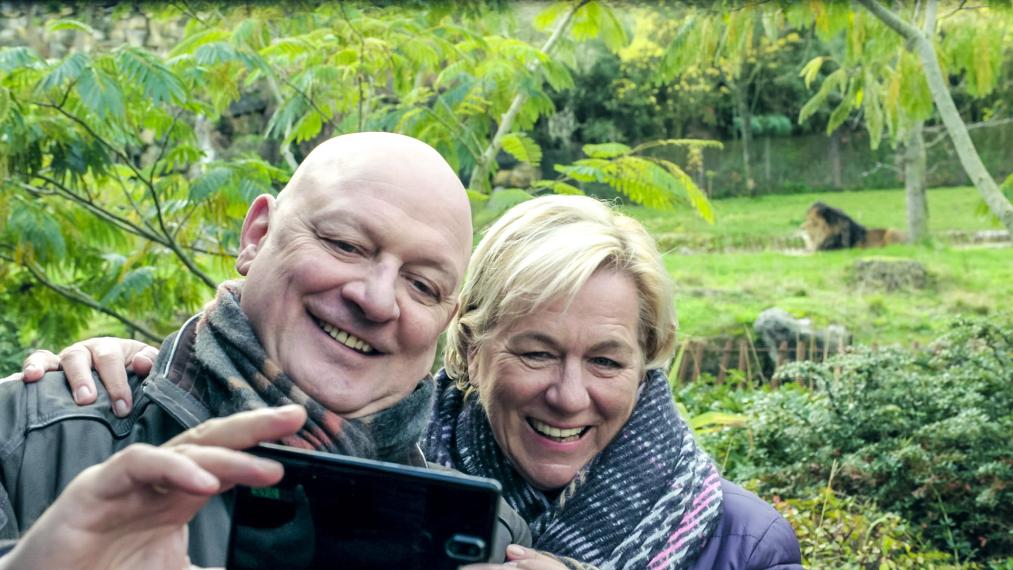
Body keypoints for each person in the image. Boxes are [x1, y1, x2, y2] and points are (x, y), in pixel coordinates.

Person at [18, 196, 801, 569]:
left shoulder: (744, 544)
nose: (568, 394)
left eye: (605, 361)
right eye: (533, 352)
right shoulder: (375, 474)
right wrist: (152, 366)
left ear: (648, 361)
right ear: (466, 342)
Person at [0, 132, 531, 567]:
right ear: (257, 235)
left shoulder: (491, 537)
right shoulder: (27, 435)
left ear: (447, 319)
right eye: (345, 244)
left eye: (422, 285)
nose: (376, 300)